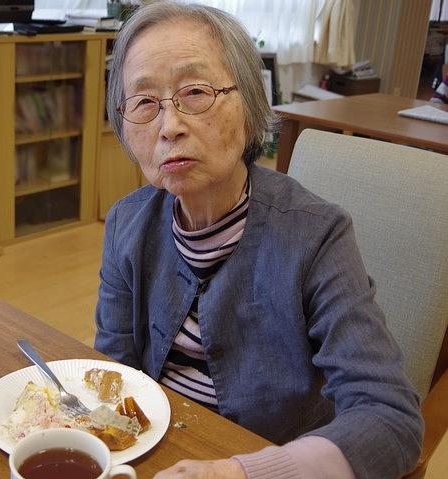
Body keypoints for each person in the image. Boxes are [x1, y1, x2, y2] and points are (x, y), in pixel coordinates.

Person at [95, 2, 424, 478]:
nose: (169, 127)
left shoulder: (317, 235)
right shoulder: (128, 224)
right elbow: (114, 371)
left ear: (250, 108)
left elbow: (390, 420)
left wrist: (241, 472)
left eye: (196, 92)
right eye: (145, 102)